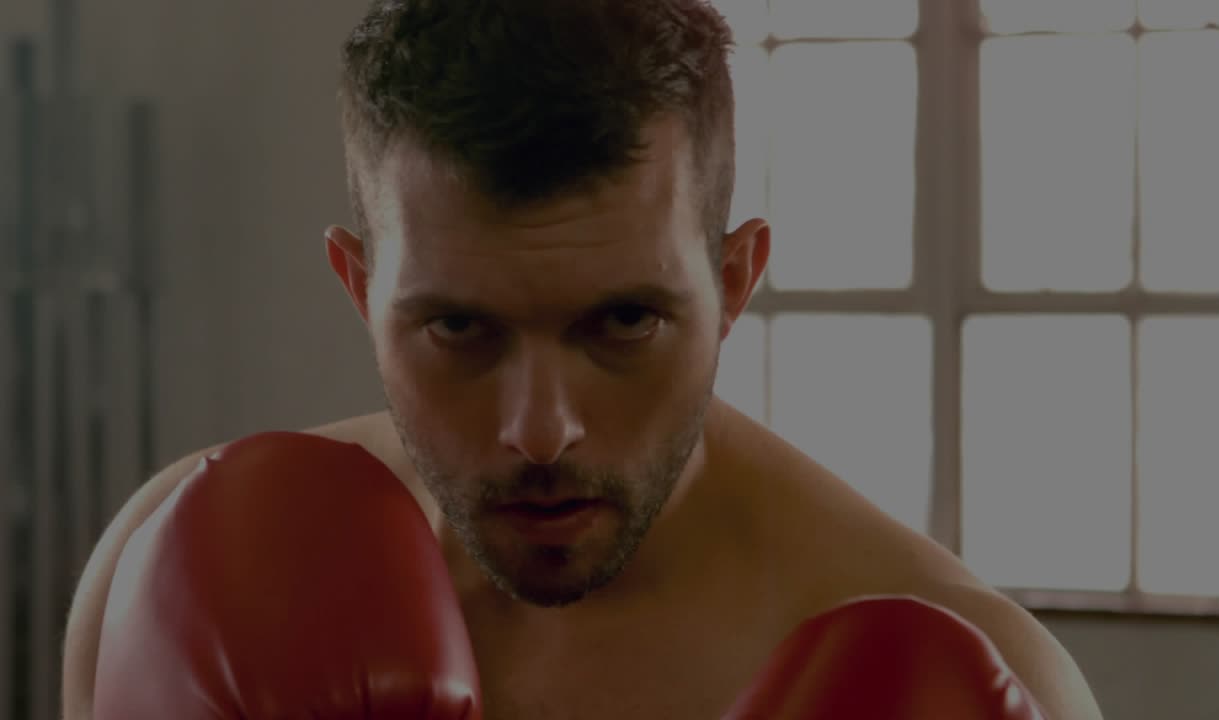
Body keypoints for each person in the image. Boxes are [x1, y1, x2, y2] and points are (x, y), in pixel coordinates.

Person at [61, 1, 1106, 718]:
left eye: (621, 324)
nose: (540, 429)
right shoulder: (154, 582)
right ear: (358, 288)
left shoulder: (989, 675)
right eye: (461, 329)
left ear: (734, 281)